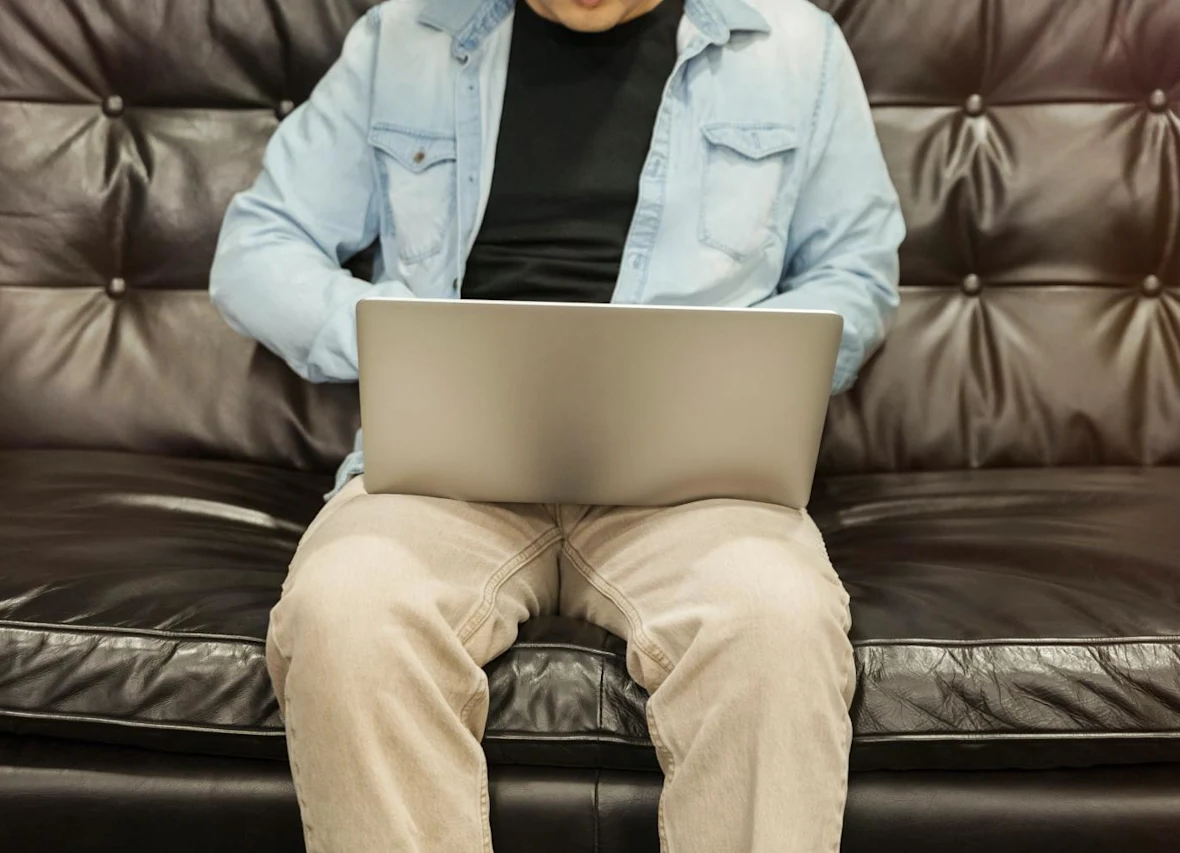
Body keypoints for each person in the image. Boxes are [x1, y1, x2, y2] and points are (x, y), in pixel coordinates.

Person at [210, 0, 904, 846]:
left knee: (776, 620)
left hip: (693, 485)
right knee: (345, 607)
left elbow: (855, 275)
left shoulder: (794, 47)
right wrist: (398, 334)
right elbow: (256, 247)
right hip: (447, 474)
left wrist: (741, 369)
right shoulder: (406, 36)